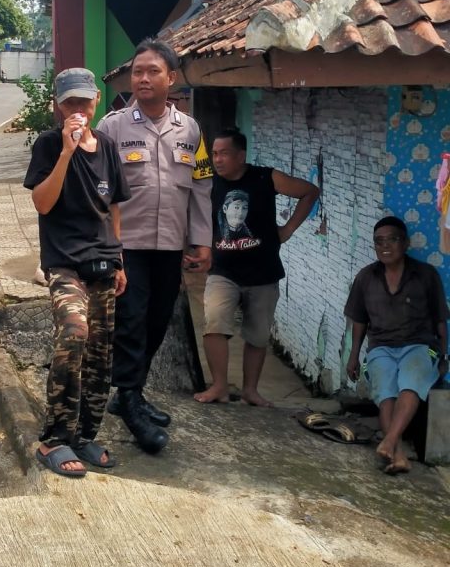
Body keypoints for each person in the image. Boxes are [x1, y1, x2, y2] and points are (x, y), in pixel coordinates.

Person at [95, 39, 213, 454]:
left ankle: (132, 392)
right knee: (131, 323)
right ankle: (129, 403)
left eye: (152, 71)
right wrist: (105, 246)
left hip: (170, 246)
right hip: (128, 246)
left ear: (171, 78)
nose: (142, 78)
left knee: (158, 322)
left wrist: (201, 240)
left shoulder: (191, 130)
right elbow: (99, 192)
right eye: (137, 72)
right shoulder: (111, 127)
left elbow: (201, 186)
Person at [23, 67, 130, 477]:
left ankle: (84, 435)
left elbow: (114, 208)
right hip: (65, 264)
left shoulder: (106, 147)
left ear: (96, 102)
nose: (78, 110)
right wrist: (66, 153)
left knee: (101, 353)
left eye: (84, 102)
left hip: (103, 262)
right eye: (70, 103)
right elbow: (43, 204)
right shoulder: (48, 145)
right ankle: (54, 437)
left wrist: (119, 259)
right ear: (57, 105)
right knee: (74, 333)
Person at [196, 127, 319, 407]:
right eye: (214, 154)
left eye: (224, 154)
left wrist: (287, 230)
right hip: (223, 271)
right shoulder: (209, 183)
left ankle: (250, 390)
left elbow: (310, 192)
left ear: (241, 156)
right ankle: (219, 386)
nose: (217, 159)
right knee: (214, 323)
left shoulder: (266, 177)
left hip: (263, 273)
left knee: (258, 334)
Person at [345, 216, 448, 474]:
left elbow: (440, 319)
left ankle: (389, 441)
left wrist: (444, 355)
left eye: (392, 239)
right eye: (378, 242)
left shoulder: (425, 275)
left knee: (411, 382)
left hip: (420, 345)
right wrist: (353, 356)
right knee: (385, 391)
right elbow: (358, 320)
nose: (385, 246)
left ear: (406, 243)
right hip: (381, 347)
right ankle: (399, 454)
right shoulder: (366, 277)